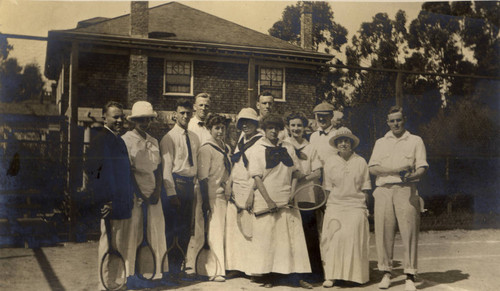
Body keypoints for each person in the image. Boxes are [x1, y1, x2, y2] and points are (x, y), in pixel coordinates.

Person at [246, 113, 311, 288]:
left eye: (276, 128)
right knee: (269, 239)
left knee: (291, 239)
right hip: (266, 199)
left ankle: (295, 277)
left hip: (286, 197)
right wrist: (268, 201)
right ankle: (269, 277)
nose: (273, 131)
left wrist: (292, 193)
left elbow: (296, 173)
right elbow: (257, 178)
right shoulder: (257, 149)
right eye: (270, 128)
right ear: (264, 130)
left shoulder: (288, 147)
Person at [368, 106, 428, 291]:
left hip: (406, 190)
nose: (395, 123)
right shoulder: (380, 142)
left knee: (409, 231)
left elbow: (422, 167)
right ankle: (386, 273)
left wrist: (412, 175)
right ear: (388, 122)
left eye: (398, 120)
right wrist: (395, 170)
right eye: (392, 121)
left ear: (404, 120)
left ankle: (410, 274)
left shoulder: (416, 140)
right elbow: (372, 168)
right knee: (384, 232)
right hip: (384, 190)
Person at [86, 101, 135, 289]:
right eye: (115, 117)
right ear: (104, 117)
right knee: (108, 245)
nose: (119, 120)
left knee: (120, 245)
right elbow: (95, 173)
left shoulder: (119, 140)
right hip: (110, 204)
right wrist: (105, 200)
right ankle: (104, 284)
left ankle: (116, 282)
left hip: (123, 203)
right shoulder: (101, 140)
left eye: (121, 116)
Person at [122, 101, 167, 281]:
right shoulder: (126, 140)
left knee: (155, 232)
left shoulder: (154, 141)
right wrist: (140, 194)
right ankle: (132, 274)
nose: (144, 123)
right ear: (134, 121)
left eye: (147, 119)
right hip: (136, 195)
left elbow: (158, 169)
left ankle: (154, 273)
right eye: (140, 119)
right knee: (135, 233)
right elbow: (129, 171)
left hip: (153, 196)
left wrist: (156, 191)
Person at [321, 127, 371, 287]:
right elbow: (327, 189)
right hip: (335, 205)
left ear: (351, 143)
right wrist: (328, 210)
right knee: (335, 237)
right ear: (336, 144)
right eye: (340, 141)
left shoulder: (361, 161)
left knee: (353, 235)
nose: (343, 144)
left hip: (356, 206)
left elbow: (365, 189)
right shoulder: (330, 162)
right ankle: (332, 276)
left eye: (346, 141)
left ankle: (356, 276)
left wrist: (364, 208)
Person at [160, 99, 200, 276]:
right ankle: (171, 267)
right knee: (172, 228)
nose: (185, 116)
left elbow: (195, 165)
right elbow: (166, 168)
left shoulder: (194, 137)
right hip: (176, 186)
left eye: (188, 113)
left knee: (185, 229)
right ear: (175, 114)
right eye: (182, 113)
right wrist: (171, 193)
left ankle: (180, 265)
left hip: (190, 186)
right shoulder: (169, 138)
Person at [285, 112, 323, 284]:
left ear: (305, 127)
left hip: (307, 195)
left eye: (299, 125)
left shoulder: (311, 147)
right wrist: (299, 176)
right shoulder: (284, 145)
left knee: (310, 235)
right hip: (289, 196)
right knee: (291, 236)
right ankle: (292, 273)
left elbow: (317, 172)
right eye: (293, 125)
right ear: (288, 127)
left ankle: (314, 274)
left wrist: (301, 177)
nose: (296, 129)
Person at [225, 108, 263, 274]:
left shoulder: (261, 141)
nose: (245, 125)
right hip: (236, 186)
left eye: (249, 122)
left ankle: (251, 269)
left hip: (250, 187)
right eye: (242, 122)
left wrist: (251, 194)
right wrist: (229, 183)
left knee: (251, 228)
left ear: (256, 124)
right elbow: (236, 164)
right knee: (235, 228)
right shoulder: (241, 139)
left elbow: (260, 172)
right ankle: (236, 267)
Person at [197, 114, 232, 282]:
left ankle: (223, 267)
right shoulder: (206, 149)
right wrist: (205, 202)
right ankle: (212, 270)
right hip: (209, 196)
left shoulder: (226, 147)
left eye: (222, 128)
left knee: (223, 232)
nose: (220, 131)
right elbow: (203, 178)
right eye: (217, 128)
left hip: (222, 196)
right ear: (210, 129)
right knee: (213, 232)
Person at [185, 93, 212, 274]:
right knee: (190, 223)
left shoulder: (210, 128)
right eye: (200, 105)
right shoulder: (189, 125)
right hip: (192, 181)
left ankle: (203, 264)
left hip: (207, 180)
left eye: (206, 106)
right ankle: (188, 263)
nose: (203, 109)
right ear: (194, 107)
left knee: (204, 220)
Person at [309, 102, 342, 167]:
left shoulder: (337, 134)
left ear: (331, 116)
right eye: (319, 116)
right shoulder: (313, 136)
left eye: (324, 116)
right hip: (316, 174)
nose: (321, 119)